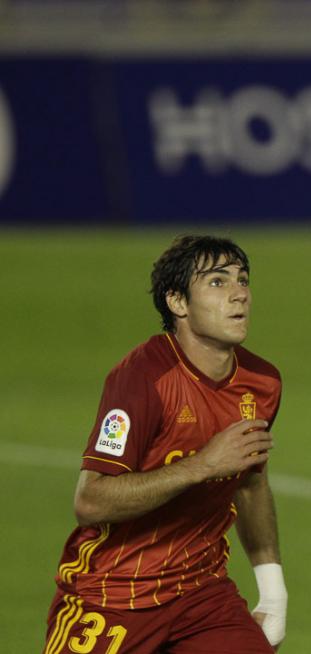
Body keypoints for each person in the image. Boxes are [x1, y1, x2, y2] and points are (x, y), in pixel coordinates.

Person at [43, 235, 288, 654]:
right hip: (114, 596)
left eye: (242, 279)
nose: (239, 293)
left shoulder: (261, 383)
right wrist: (203, 465)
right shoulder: (143, 380)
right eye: (216, 282)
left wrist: (273, 591)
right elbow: (91, 500)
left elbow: (249, 483)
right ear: (177, 303)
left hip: (202, 595)